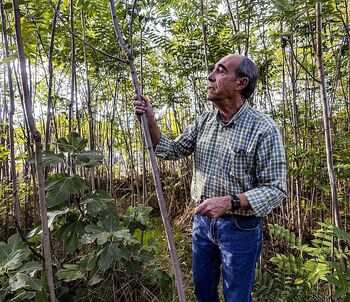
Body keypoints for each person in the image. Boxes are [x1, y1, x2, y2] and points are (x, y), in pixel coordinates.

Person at [133, 54, 286, 302]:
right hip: (203, 225)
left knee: (236, 297)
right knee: (203, 292)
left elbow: (275, 189)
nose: (210, 76)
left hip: (240, 228)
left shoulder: (264, 129)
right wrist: (150, 120)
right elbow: (170, 150)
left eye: (220, 71)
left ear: (241, 83)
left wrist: (230, 201)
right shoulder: (205, 121)